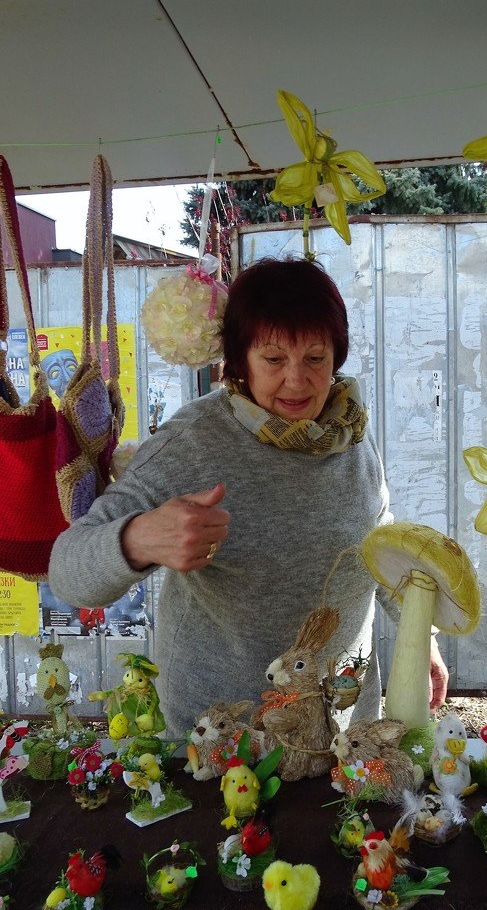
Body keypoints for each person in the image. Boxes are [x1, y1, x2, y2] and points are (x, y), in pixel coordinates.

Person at [49, 257, 449, 735]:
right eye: (274, 359)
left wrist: (419, 635)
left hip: (341, 729)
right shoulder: (192, 442)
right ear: (240, 362)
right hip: (223, 737)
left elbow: (376, 535)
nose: (297, 380)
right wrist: (137, 539)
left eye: (315, 358)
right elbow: (67, 568)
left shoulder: (348, 429)